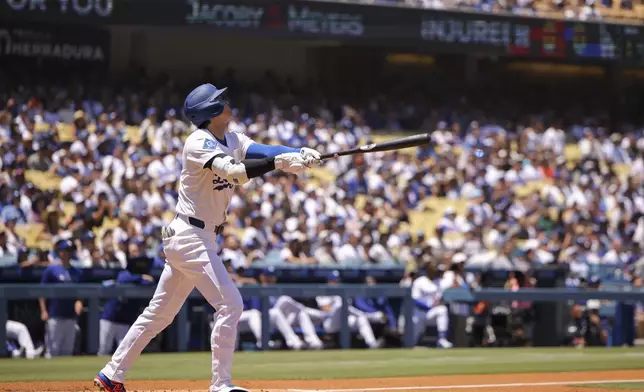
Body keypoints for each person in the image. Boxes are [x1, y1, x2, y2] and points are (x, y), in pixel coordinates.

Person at [94, 83, 322, 392]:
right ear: (209, 111)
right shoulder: (197, 141)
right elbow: (236, 172)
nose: (226, 103)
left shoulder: (231, 138)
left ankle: (111, 374)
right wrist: (279, 164)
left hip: (196, 236)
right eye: (220, 100)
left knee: (159, 314)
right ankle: (220, 385)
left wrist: (296, 153)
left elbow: (264, 151)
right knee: (231, 304)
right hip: (190, 235)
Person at [39, 239, 83, 357]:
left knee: (67, 351)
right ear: (59, 252)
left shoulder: (77, 272)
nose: (67, 253)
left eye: (70, 251)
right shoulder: (51, 270)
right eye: (65, 250)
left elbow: (80, 292)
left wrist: (79, 301)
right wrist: (43, 310)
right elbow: (42, 291)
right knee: (53, 350)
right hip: (55, 315)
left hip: (71, 315)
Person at [98, 270, 155, 356]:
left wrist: (141, 278)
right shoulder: (125, 274)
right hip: (110, 318)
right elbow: (122, 278)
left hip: (124, 320)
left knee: (125, 351)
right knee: (104, 348)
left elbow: (149, 282)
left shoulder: (140, 280)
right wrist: (140, 277)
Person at [409, 263, 453, 348]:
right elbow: (414, 299)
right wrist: (427, 305)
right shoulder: (420, 281)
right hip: (419, 314)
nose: (436, 272)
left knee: (442, 310)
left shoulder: (439, 282)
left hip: (432, 313)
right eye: (434, 270)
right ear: (428, 270)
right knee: (412, 341)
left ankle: (442, 339)